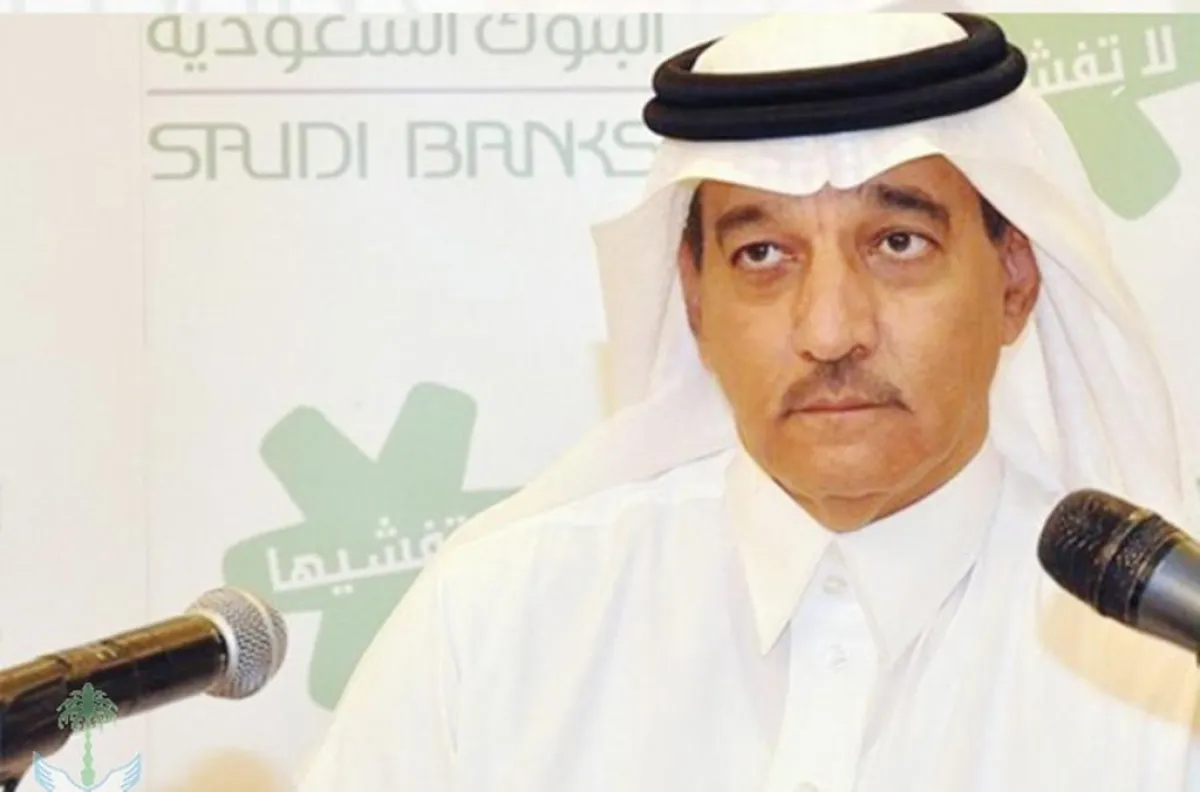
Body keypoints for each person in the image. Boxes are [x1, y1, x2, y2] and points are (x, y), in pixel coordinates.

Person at [296, 13, 1200, 791]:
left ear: (1014, 281)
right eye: (762, 255)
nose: (832, 331)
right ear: (694, 300)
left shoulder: (1165, 671)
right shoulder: (495, 626)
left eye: (898, 242)